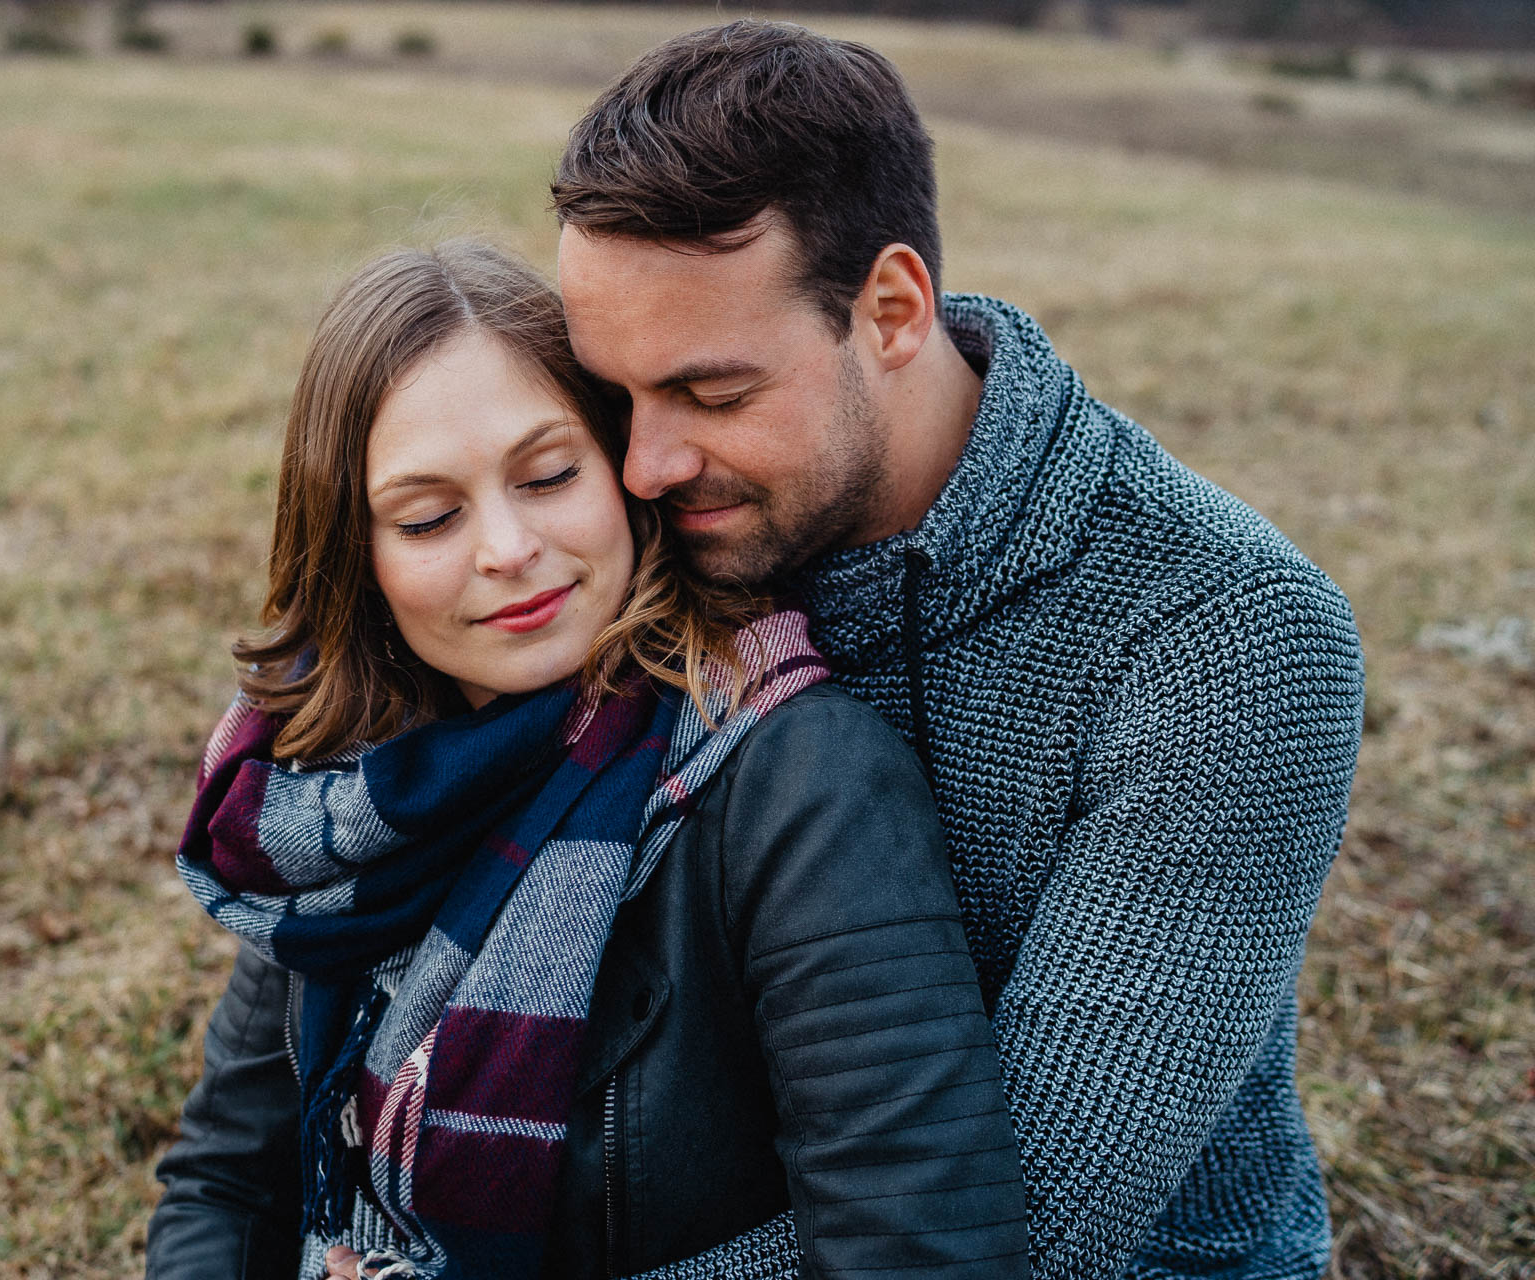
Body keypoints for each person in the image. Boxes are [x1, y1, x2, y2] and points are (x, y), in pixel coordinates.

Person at [547, 19, 1365, 1280]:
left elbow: (1023, 1225)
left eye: (712, 395)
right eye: (617, 395)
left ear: (890, 309)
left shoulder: (1228, 638)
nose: (646, 464)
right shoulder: (661, 526)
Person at [146, 241, 1033, 1280]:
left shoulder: (800, 778)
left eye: (550, 473)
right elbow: (224, 1183)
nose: (508, 546)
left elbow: (915, 1244)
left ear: (624, 469)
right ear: (359, 552)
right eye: (429, 515)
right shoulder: (340, 796)